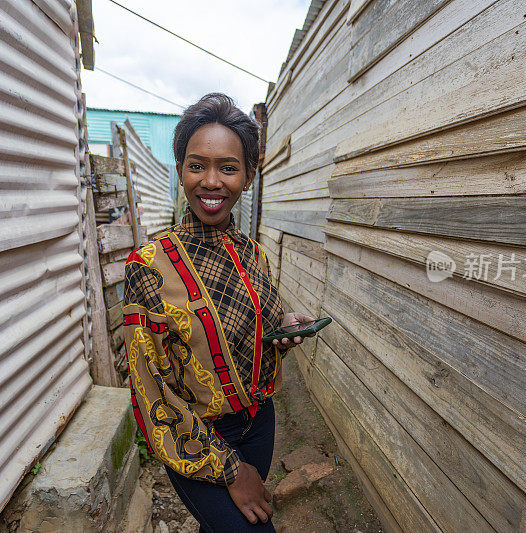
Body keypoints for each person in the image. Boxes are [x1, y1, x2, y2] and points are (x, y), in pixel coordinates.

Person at [123, 93, 314, 532]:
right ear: (180, 171)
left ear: (248, 177)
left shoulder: (254, 256)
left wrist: (282, 330)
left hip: (260, 424)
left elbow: (256, 338)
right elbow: (152, 392)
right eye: (197, 165)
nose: (211, 181)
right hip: (200, 442)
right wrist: (231, 470)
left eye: (228, 167)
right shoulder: (148, 265)